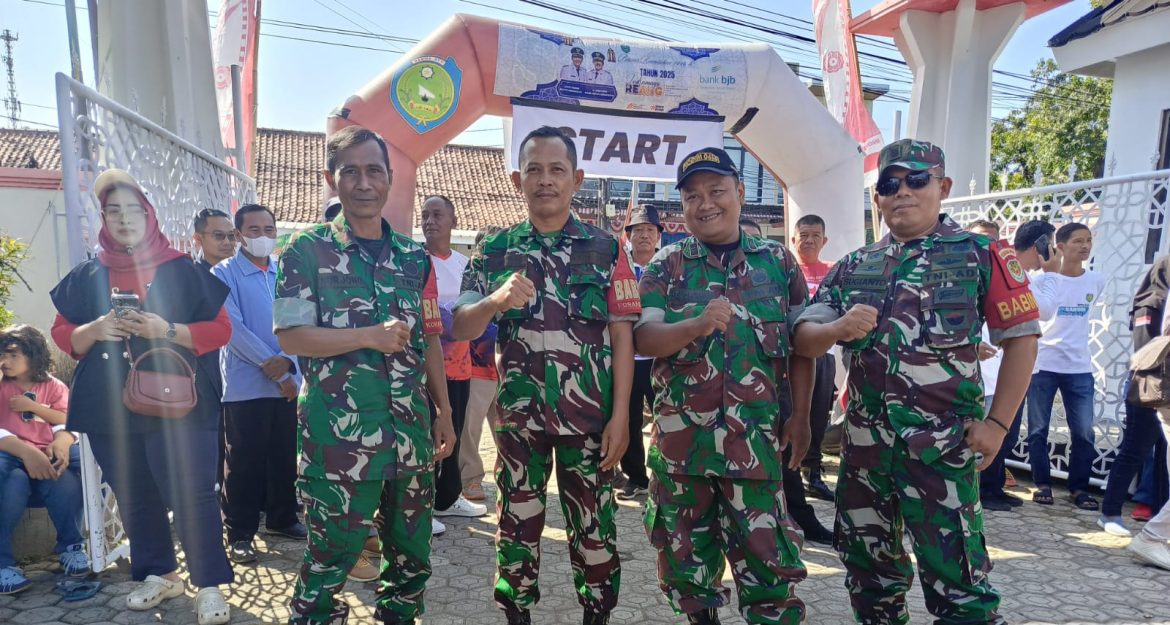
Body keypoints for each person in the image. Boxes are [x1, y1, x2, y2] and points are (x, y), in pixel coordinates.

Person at [793, 139, 1040, 624]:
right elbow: (803, 337)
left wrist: (998, 424)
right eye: (889, 184)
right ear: (877, 198)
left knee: (961, 587)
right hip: (864, 456)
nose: (902, 191)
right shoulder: (854, 266)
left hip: (942, 453)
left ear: (942, 187)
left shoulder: (980, 255)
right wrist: (835, 330)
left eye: (917, 180)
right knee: (869, 582)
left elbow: (1022, 338)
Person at [452, 126, 640, 625]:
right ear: (518, 179)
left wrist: (622, 416)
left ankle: (597, 614)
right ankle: (516, 613)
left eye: (557, 169)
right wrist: (494, 299)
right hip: (519, 423)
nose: (545, 180)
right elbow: (459, 324)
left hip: (591, 422)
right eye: (534, 169)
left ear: (576, 179)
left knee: (595, 530)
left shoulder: (607, 249)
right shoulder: (493, 248)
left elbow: (623, 335)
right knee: (516, 527)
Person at [275, 125, 455, 625]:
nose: (363, 182)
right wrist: (368, 336)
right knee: (330, 563)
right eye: (350, 171)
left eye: (373, 170)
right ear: (331, 180)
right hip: (339, 442)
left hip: (410, 436)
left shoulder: (414, 258)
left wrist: (443, 412)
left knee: (411, 563)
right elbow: (290, 337)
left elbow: (431, 338)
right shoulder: (304, 250)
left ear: (390, 178)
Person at [635, 148, 813, 625]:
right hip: (682, 452)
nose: (705, 203)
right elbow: (645, 337)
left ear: (739, 193)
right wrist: (693, 325)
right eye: (693, 196)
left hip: (756, 446)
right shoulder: (665, 266)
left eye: (716, 191)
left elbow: (801, 346)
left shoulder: (779, 263)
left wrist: (800, 418)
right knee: (687, 570)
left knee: (770, 569)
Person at [49, 169, 234, 624]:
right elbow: (61, 333)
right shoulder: (89, 272)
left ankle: (208, 584)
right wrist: (94, 329)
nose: (124, 219)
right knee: (134, 494)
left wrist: (166, 329)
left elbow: (221, 330)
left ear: (149, 215)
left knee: (193, 494)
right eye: (114, 211)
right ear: (103, 218)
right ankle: (162, 574)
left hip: (181, 402)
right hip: (109, 403)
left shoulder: (183, 269)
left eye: (133, 210)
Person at [211, 203, 306, 566]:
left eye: (269, 229)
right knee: (244, 461)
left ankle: (283, 519)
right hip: (246, 385)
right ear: (238, 236)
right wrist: (279, 370)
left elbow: (301, 323)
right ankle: (240, 533)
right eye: (254, 230)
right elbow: (231, 329)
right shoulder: (223, 274)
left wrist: (293, 366)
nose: (263, 236)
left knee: (283, 456)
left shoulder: (283, 273)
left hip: (288, 385)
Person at [741, 217, 833, 545]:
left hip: (786, 378)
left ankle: (799, 511)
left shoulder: (781, 270)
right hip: (739, 394)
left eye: (754, 241)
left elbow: (799, 335)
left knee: (792, 446)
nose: (749, 250)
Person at [1022, 222, 1105, 510]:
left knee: (1083, 431)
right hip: (1043, 363)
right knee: (1037, 429)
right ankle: (1042, 484)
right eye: (1078, 241)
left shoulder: (1096, 281)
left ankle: (1079, 488)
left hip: (1079, 367)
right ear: (1060, 246)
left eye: (1088, 241)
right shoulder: (1040, 279)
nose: (1085, 246)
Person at [0, 325, 88, 594]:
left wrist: (62, 440)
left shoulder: (52, 386)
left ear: (33, 354)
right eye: (2, 354)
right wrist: (27, 453)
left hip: (46, 455)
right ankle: (3, 564)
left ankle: (72, 547)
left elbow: (68, 420)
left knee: (62, 475)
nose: (5, 361)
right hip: (9, 457)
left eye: (13, 354)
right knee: (10, 483)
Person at [421, 194, 488, 533]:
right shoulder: (416, 262)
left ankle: (448, 498)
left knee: (456, 432)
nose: (430, 221)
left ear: (453, 221)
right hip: (428, 369)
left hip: (461, 365)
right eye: (425, 215)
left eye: (437, 215)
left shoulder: (464, 267)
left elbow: (475, 310)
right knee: (432, 435)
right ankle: (423, 504)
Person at [1099, 255, 1170, 536]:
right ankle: (1110, 513)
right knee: (1135, 449)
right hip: (1150, 383)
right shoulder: (1149, 304)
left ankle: (1159, 517)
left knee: (1164, 456)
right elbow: (1145, 351)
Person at [966, 220, 1024, 513]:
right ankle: (983, 491)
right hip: (966, 382)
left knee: (1002, 435)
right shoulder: (957, 276)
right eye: (978, 239)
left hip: (1000, 374)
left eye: (990, 239)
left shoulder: (1005, 273)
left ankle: (992, 488)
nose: (983, 246)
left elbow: (1023, 338)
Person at [789, 214, 836, 501]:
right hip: (790, 357)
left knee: (818, 415)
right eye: (803, 235)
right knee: (790, 414)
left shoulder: (834, 271)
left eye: (814, 235)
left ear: (824, 240)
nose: (808, 240)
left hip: (823, 356)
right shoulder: (785, 269)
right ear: (793, 240)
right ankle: (789, 474)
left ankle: (813, 473)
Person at [616, 204, 661, 502]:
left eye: (650, 230)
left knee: (666, 417)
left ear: (658, 235)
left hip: (660, 357)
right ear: (629, 236)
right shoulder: (618, 266)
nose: (644, 235)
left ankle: (664, 476)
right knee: (629, 419)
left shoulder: (669, 266)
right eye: (638, 230)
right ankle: (636, 477)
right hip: (626, 358)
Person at [460, 227, 504, 504]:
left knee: (507, 427)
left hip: (508, 364)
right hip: (476, 362)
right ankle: (470, 480)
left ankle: (510, 477)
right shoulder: (472, 273)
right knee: (470, 428)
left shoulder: (512, 273)